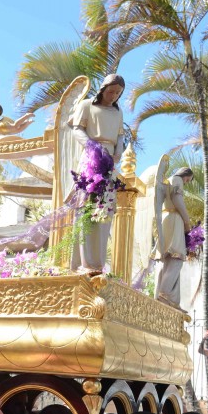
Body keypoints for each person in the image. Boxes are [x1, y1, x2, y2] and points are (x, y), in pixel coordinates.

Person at [69, 73, 125, 272]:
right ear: (103, 89)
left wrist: (117, 153)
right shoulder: (86, 106)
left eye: (118, 93)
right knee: (87, 208)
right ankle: (85, 262)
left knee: (105, 208)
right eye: (111, 91)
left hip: (109, 163)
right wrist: (93, 147)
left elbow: (120, 137)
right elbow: (77, 129)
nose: (114, 96)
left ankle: (98, 263)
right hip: (92, 159)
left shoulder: (117, 113)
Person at [156, 166, 194, 307]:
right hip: (174, 219)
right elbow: (177, 199)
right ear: (185, 174)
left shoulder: (168, 180)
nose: (187, 182)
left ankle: (165, 295)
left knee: (169, 258)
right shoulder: (177, 179)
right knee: (177, 257)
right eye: (188, 180)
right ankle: (165, 293)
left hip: (167, 218)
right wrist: (186, 221)